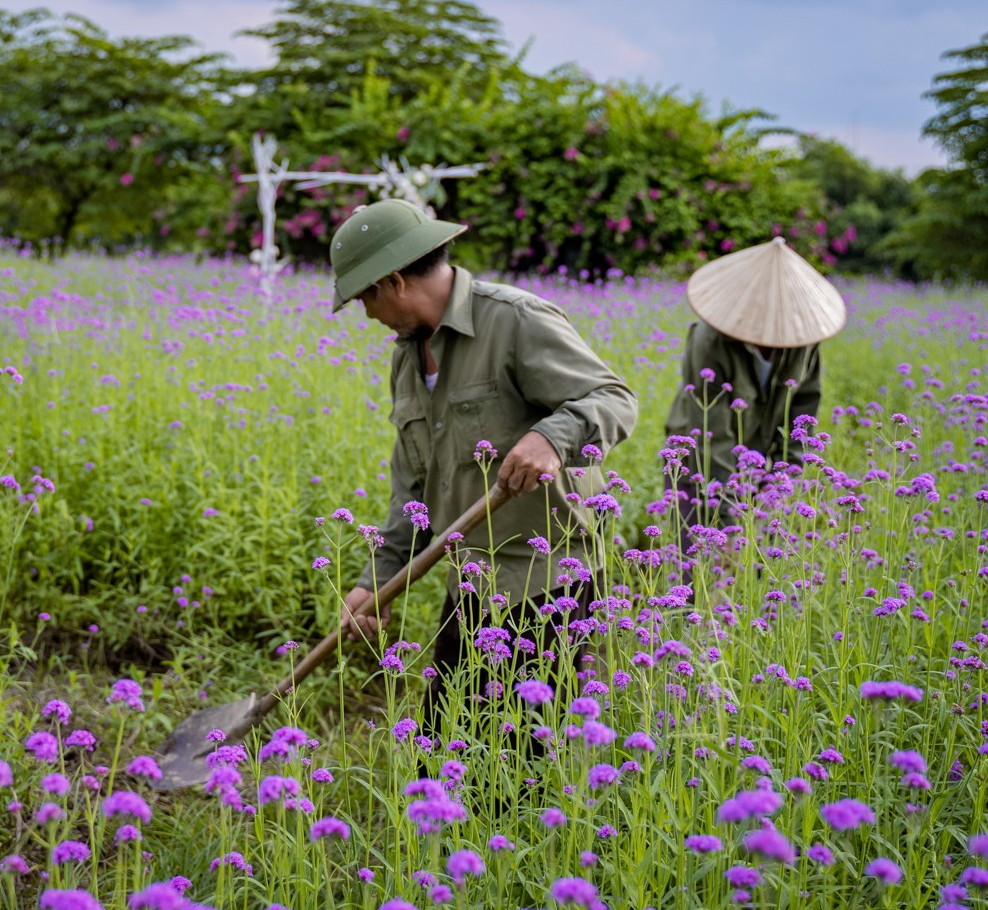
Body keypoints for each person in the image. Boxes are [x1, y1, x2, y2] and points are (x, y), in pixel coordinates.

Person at [327, 198, 638, 725]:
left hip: (549, 580)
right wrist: (374, 581)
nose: (367, 314)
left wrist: (551, 437)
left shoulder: (515, 320)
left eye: (364, 299)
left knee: (524, 761)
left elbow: (613, 398)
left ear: (394, 283)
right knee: (442, 748)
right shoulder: (407, 359)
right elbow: (414, 488)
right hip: (472, 577)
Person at [662, 235, 846, 516]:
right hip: (695, 459)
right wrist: (726, 511)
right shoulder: (711, 339)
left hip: (759, 463)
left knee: (758, 554)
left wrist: (787, 485)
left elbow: (803, 411)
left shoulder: (804, 340)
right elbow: (711, 430)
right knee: (697, 552)